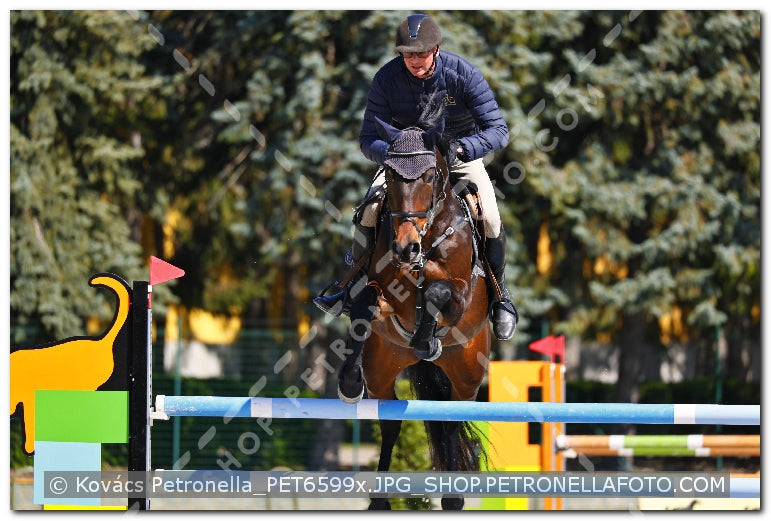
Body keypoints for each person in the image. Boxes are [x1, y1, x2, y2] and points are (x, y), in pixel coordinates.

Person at [314, 13, 518, 341]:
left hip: (457, 156)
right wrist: (395, 154)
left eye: (421, 53)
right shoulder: (387, 78)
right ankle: (350, 285)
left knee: (491, 217)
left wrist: (463, 148)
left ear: (436, 49)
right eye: (408, 54)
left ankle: (501, 296)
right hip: (406, 161)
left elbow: (498, 129)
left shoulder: (462, 74)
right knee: (368, 210)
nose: (414, 61)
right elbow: (368, 139)